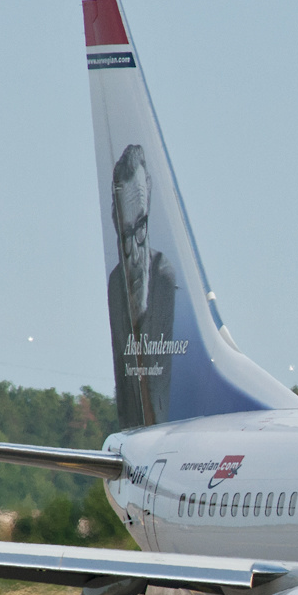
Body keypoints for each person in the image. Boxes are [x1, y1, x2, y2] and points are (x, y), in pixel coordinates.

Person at [106, 144, 176, 426]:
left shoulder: (163, 277)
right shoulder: (116, 284)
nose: (136, 249)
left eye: (142, 226)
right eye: (126, 234)